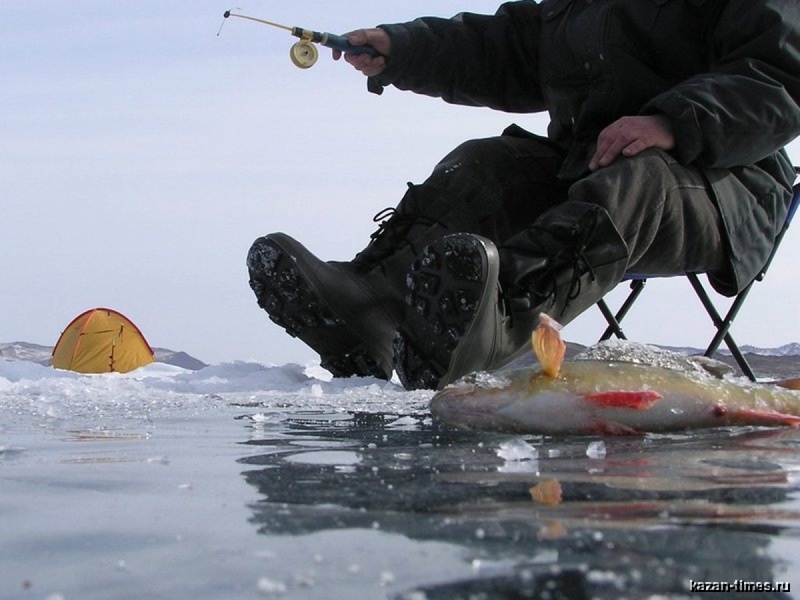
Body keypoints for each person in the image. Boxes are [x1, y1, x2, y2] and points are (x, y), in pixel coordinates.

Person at [247, 0, 800, 391]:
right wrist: (406, 49)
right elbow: (510, 49)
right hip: (587, 167)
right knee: (487, 164)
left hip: (722, 182)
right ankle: (369, 308)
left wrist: (674, 121)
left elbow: (780, 71)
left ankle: (495, 322)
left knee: (638, 176)